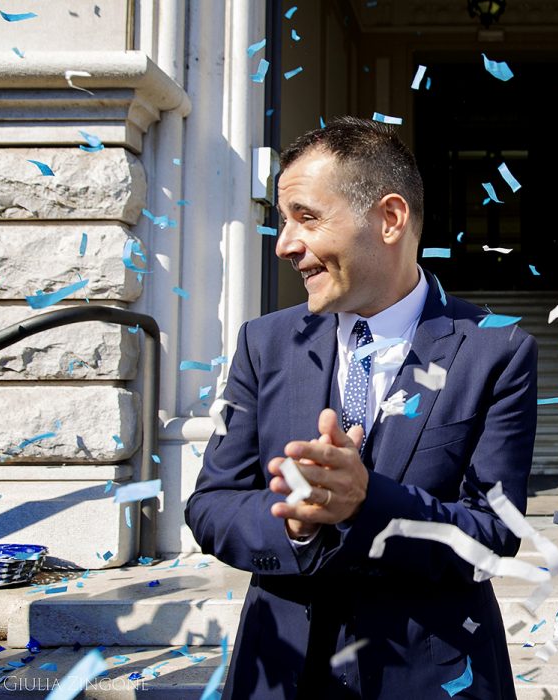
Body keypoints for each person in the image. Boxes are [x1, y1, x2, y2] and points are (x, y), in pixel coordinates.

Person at [185, 117, 537, 699]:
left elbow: (494, 534)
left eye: (306, 217)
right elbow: (211, 504)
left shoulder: (496, 350)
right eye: (283, 220)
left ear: (390, 218)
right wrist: (294, 525)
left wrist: (367, 501)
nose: (284, 244)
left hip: (430, 677)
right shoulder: (263, 344)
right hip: (282, 674)